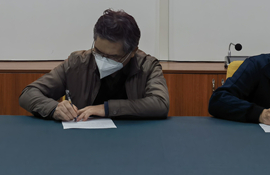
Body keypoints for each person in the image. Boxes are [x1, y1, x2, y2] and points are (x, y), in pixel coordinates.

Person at [19, 9, 169, 121]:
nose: (103, 59)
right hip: (84, 138)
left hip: (133, 138)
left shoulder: (148, 66)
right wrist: (54, 108)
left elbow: (160, 104)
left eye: (113, 56)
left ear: (132, 52)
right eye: (98, 51)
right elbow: (29, 93)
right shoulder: (77, 63)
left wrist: (106, 109)